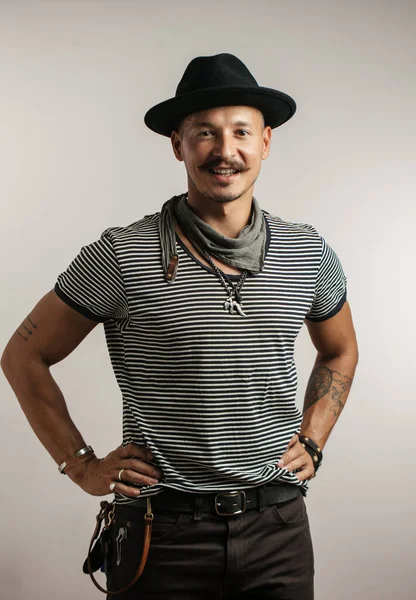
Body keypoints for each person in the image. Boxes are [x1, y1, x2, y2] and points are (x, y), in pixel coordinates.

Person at [1, 53, 359, 600]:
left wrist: (314, 438)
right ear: (178, 144)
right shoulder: (122, 254)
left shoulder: (307, 252)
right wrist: (81, 466)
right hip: (160, 533)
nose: (225, 150)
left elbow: (340, 351)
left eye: (241, 131)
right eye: (205, 133)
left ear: (266, 141)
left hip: (277, 529)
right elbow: (23, 356)